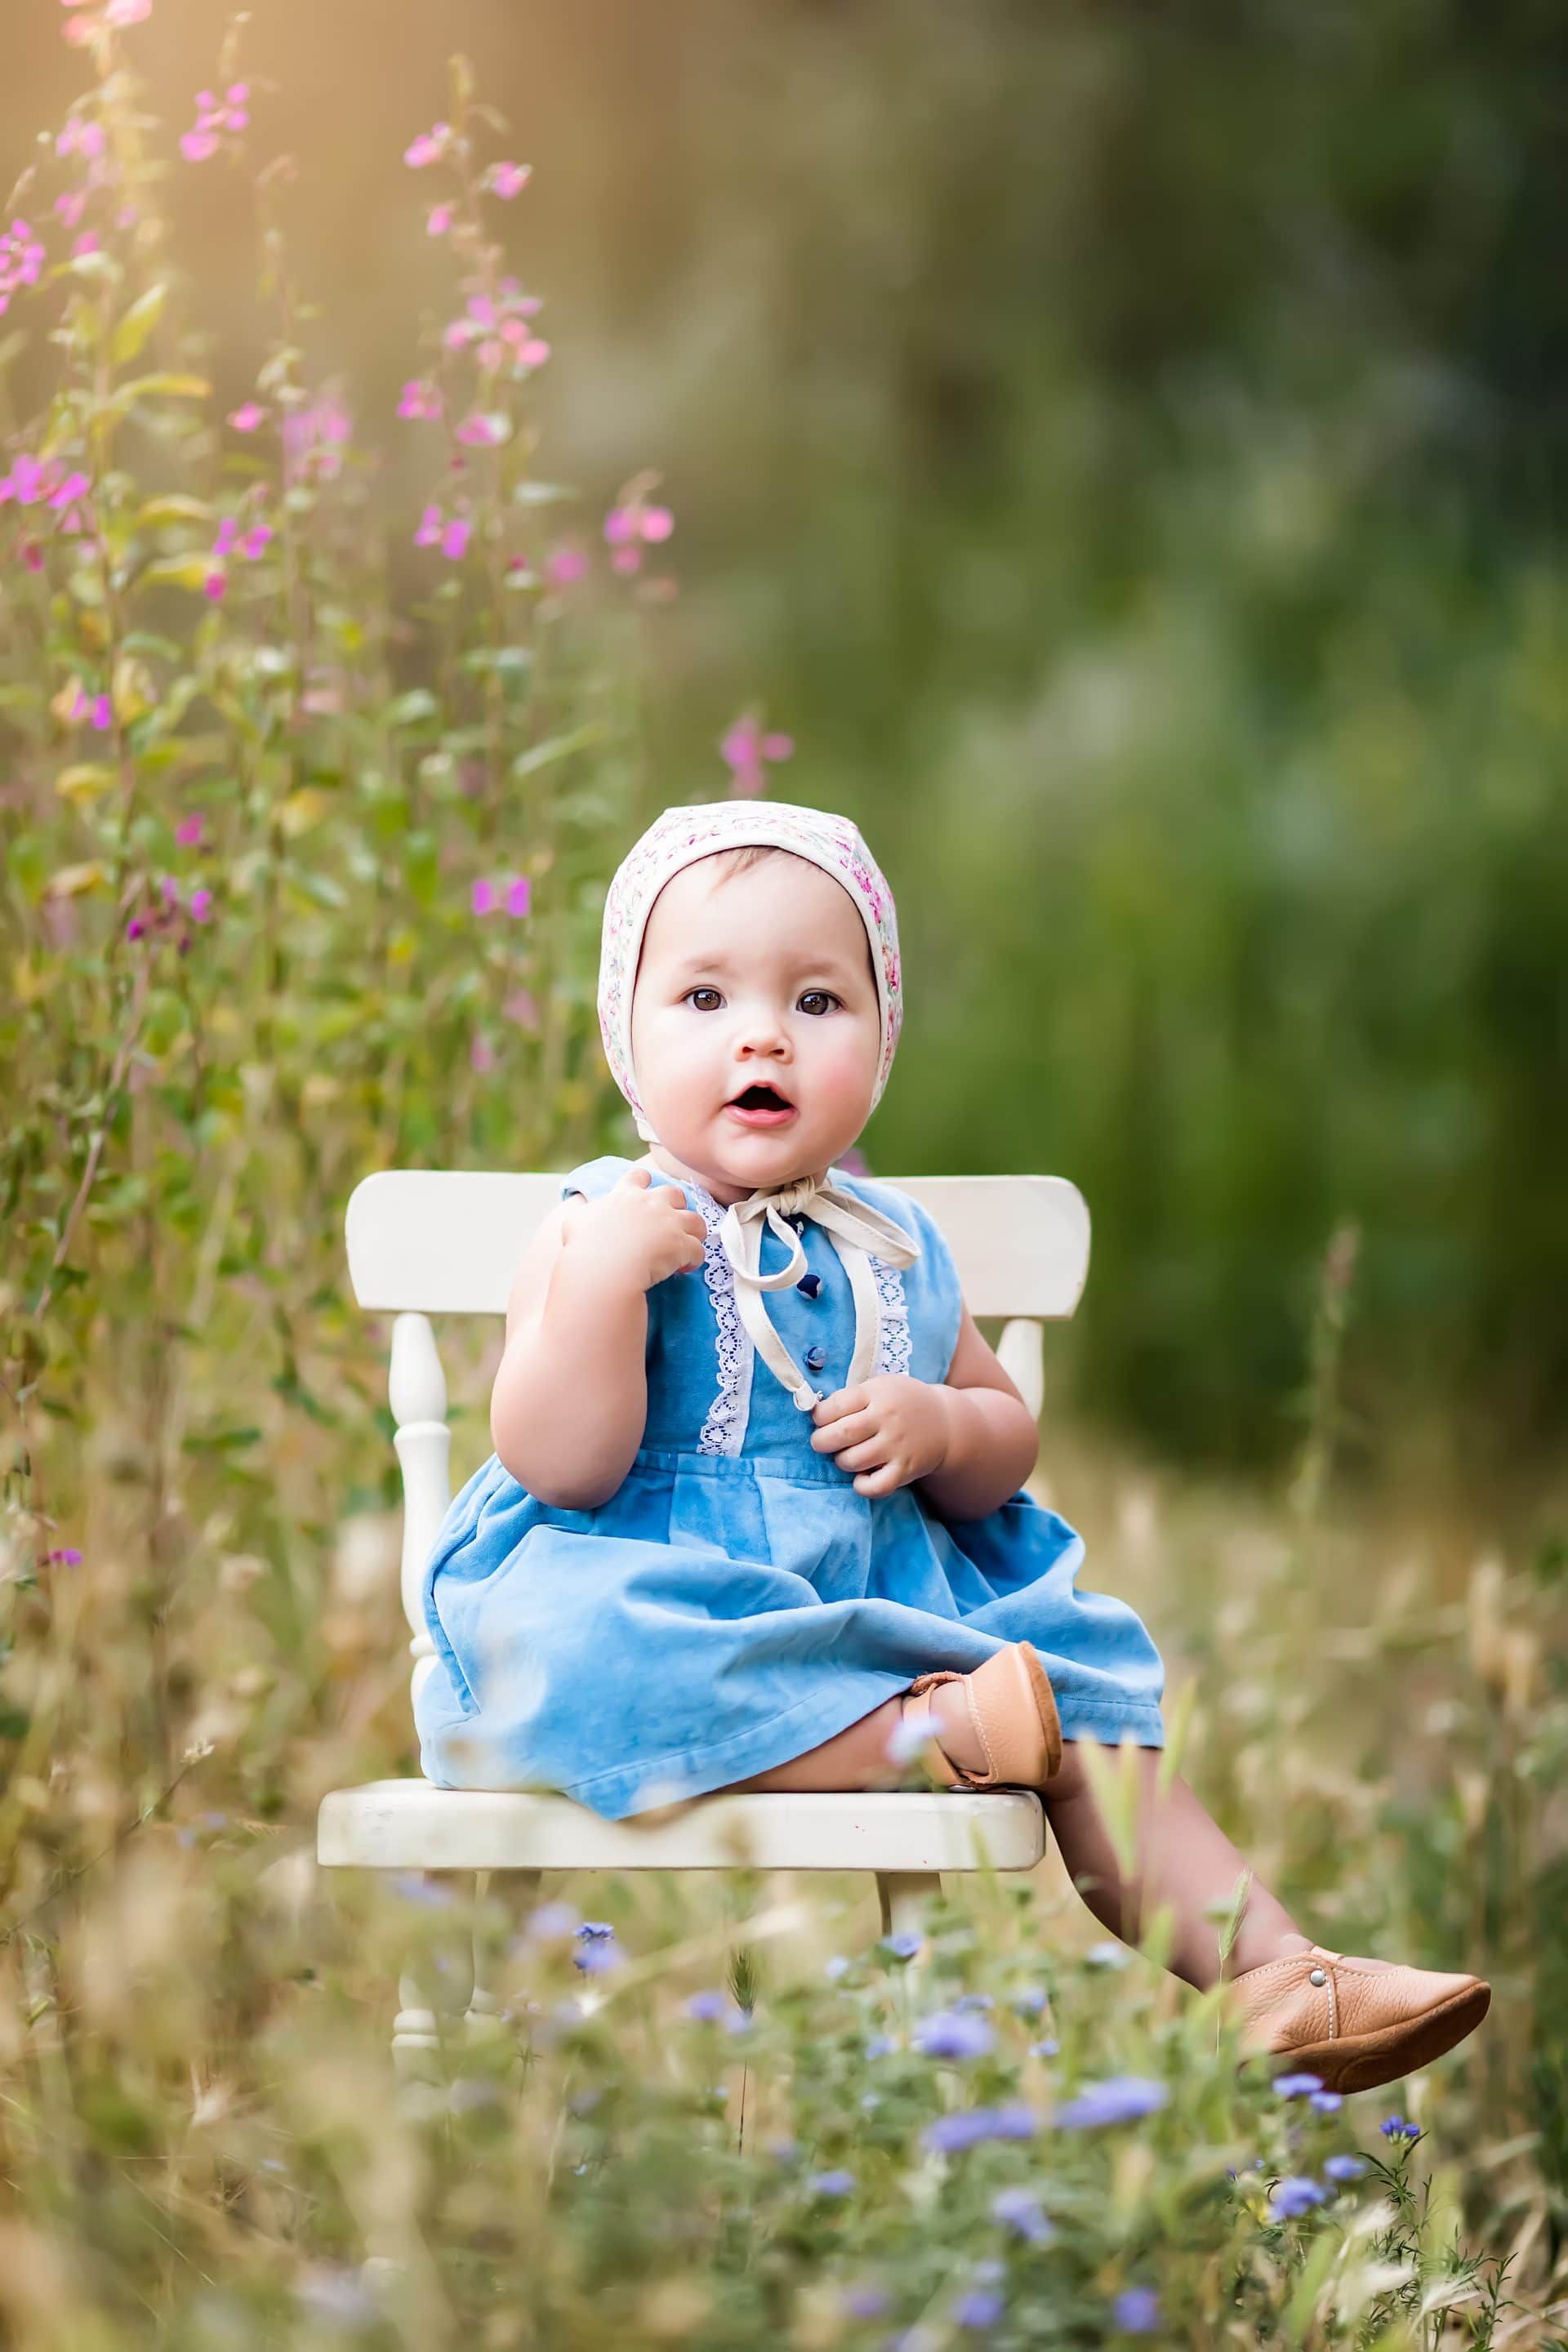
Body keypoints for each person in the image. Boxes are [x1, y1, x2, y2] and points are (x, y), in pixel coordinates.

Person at [415, 799, 1489, 2093]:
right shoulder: (598, 1221)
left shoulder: (898, 1245)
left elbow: (1003, 1447)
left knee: (1078, 1684)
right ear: (627, 1039)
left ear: (879, 1045)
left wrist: (942, 1423)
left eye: (818, 1002)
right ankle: (924, 1735)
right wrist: (596, 1292)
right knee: (582, 1655)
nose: (762, 1032)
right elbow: (559, 1464)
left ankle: (1274, 1970)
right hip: (666, 1587)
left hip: (875, 1597)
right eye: (703, 998)